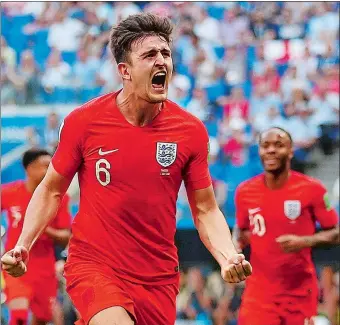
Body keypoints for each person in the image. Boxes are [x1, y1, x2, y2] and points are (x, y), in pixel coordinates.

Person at [1, 13, 252, 325]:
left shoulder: (190, 131)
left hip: (158, 276)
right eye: (149, 55)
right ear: (125, 70)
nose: (162, 61)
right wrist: (22, 245)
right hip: (94, 264)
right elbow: (52, 189)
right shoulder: (84, 122)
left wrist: (227, 255)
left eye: (166, 53)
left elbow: (205, 209)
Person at [234, 127, 339, 325]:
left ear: (291, 151)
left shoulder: (312, 189)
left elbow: (336, 232)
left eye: (279, 145)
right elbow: (241, 230)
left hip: (299, 292)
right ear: (259, 151)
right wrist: (234, 248)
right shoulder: (245, 191)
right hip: (259, 293)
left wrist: (305, 241)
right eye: (265, 146)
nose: (271, 150)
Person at [1, 148, 72, 325]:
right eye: (45, 165)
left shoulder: (59, 198)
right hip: (16, 264)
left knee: (42, 319)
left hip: (44, 269)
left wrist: (40, 227)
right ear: (30, 169)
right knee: (18, 316)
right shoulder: (9, 192)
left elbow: (66, 236)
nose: (50, 170)